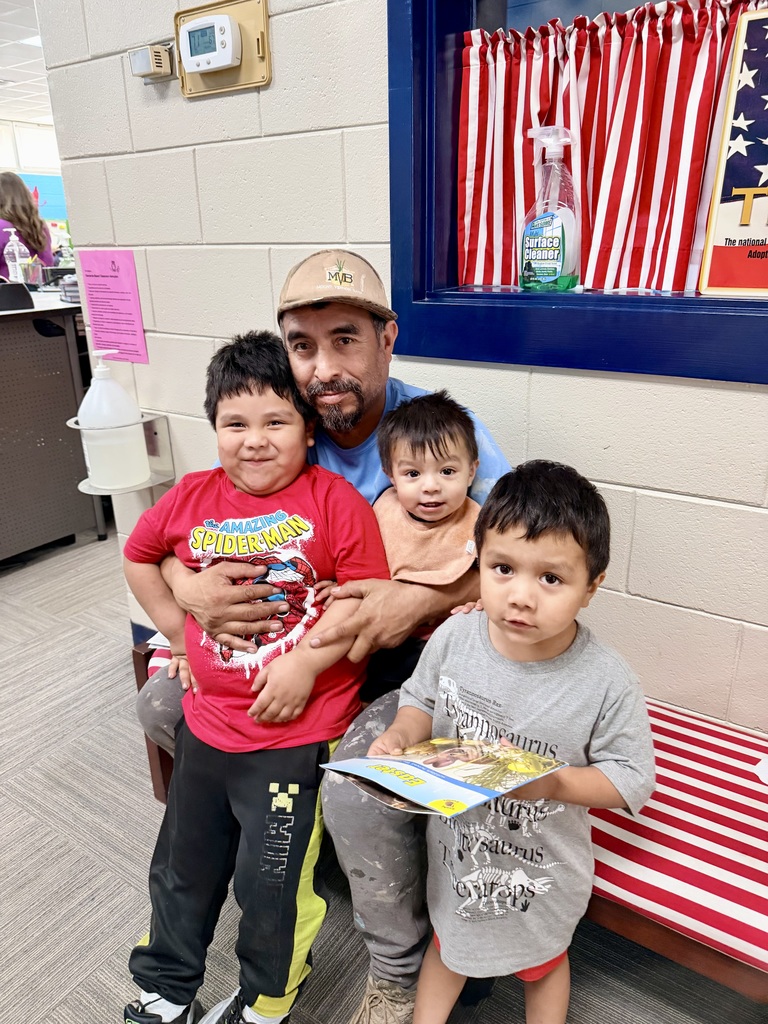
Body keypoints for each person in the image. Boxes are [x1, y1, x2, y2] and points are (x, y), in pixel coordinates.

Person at [136, 250, 512, 1024]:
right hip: (294, 652)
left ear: (387, 340)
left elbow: (520, 550)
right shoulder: (283, 432)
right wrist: (185, 589)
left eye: (345, 339)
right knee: (162, 704)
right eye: (303, 346)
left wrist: (413, 602)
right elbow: (181, 529)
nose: (323, 365)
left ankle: (397, 970)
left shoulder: (436, 430)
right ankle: (254, 843)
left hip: (406, 664)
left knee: (356, 784)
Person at [122, 331, 390, 1024]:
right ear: (212, 429)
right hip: (208, 725)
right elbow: (139, 556)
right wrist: (179, 633)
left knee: (270, 885)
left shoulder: (335, 502)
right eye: (234, 424)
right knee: (183, 867)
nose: (254, 440)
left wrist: (306, 663)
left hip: (295, 738)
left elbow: (367, 600)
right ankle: (166, 984)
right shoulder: (189, 497)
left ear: (307, 431)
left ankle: (267, 1000)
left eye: (276, 421)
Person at [368, 461, 656, 1024]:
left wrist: (555, 782)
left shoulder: (606, 679)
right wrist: (401, 735)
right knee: (448, 947)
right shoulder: (454, 636)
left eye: (551, 578)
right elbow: (420, 700)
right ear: (479, 563)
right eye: (502, 568)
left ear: (591, 588)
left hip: (542, 870)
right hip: (456, 856)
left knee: (543, 964)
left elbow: (629, 777)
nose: (521, 597)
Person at [362, 389, 481, 703]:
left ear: (471, 471)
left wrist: (480, 603)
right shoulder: (382, 511)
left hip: (450, 649)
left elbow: (496, 580)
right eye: (413, 473)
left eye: (447, 471)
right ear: (390, 476)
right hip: (385, 649)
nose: (431, 486)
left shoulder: (480, 524)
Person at [0, 171, 54, 280]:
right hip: (40, 290)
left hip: (8, 291)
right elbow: (48, 263)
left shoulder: (2, 226)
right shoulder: (39, 226)